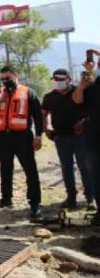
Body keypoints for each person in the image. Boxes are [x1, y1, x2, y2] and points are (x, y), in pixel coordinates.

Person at [0, 65, 44, 219]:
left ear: (15, 75)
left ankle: (35, 203)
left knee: (30, 169)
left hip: (22, 137)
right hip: (3, 137)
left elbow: (38, 116)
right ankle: (6, 199)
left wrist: (38, 136)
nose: (5, 81)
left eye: (7, 78)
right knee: (5, 168)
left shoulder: (27, 92)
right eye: (2, 79)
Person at [42, 68, 96, 210]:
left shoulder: (78, 92)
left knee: (84, 167)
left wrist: (84, 122)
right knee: (66, 169)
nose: (58, 82)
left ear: (69, 79)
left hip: (79, 137)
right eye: (56, 79)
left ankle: (91, 198)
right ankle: (71, 198)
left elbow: (90, 111)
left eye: (61, 79)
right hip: (60, 137)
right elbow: (43, 113)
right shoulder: (49, 97)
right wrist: (46, 128)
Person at [73, 52, 100, 226]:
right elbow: (77, 100)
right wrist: (82, 86)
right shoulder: (90, 83)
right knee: (96, 174)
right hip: (93, 135)